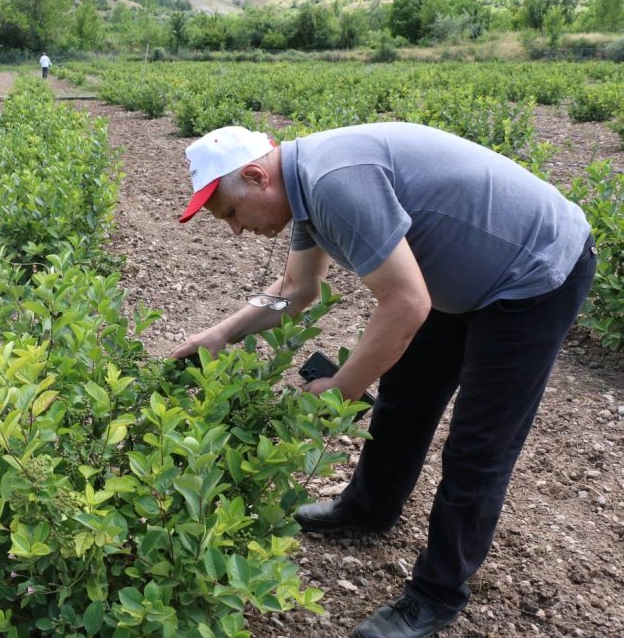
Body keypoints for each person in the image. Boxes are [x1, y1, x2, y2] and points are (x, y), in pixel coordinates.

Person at [171, 123, 595, 638]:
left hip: (532, 272)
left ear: (258, 176)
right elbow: (297, 288)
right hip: (456, 275)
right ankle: (369, 508)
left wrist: (343, 387)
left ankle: (436, 596)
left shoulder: (334, 182)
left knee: (478, 448)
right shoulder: (303, 186)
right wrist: (221, 334)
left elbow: (407, 302)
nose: (236, 230)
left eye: (231, 214)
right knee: (405, 396)